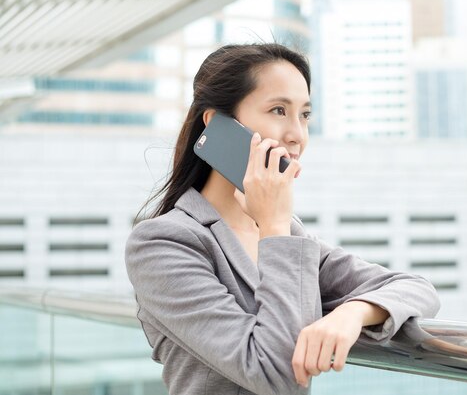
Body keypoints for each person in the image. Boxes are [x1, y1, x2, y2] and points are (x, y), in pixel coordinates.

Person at [125, 43, 440, 395]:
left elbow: (418, 289)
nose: (297, 135)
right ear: (218, 125)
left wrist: (351, 313)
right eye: (278, 110)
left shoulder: (292, 236)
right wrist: (274, 227)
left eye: (304, 115)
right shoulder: (161, 243)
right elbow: (276, 375)